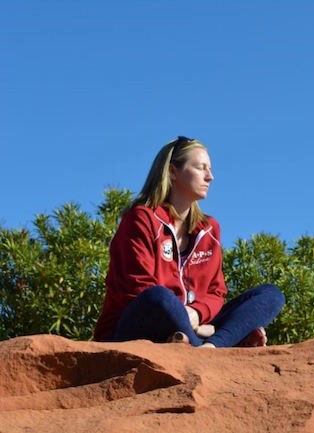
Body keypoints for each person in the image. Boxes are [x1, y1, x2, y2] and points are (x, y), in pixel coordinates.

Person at [93, 136, 285, 347]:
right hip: (135, 326)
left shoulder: (209, 229)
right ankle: (218, 340)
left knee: (271, 295)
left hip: (195, 323)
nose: (210, 177)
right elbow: (138, 290)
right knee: (159, 298)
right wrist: (190, 319)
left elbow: (216, 292)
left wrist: (197, 313)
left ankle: (211, 347)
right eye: (201, 168)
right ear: (173, 172)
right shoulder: (141, 218)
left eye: (209, 169)